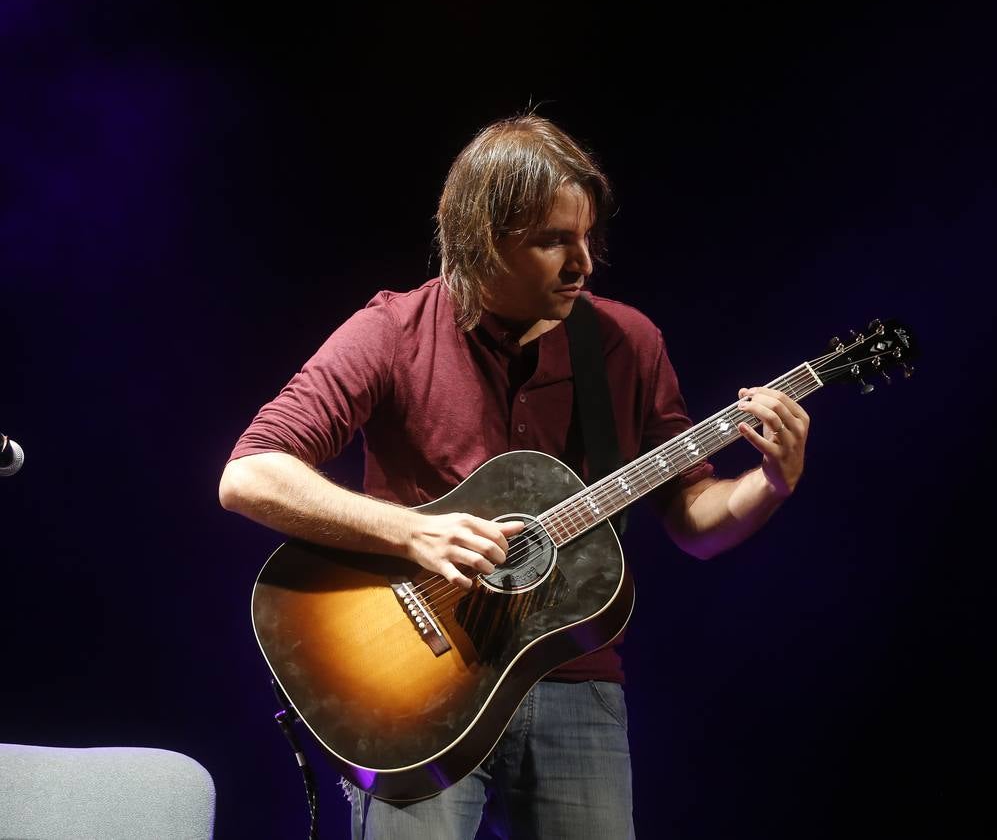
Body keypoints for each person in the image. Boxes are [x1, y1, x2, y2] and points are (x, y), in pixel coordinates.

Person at [218, 114, 811, 839]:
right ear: (481, 238)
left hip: (573, 683)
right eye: (552, 241)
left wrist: (769, 486)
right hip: (412, 690)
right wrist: (411, 531)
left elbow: (693, 521)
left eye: (587, 237)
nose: (582, 263)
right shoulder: (392, 332)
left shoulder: (627, 343)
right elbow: (249, 474)